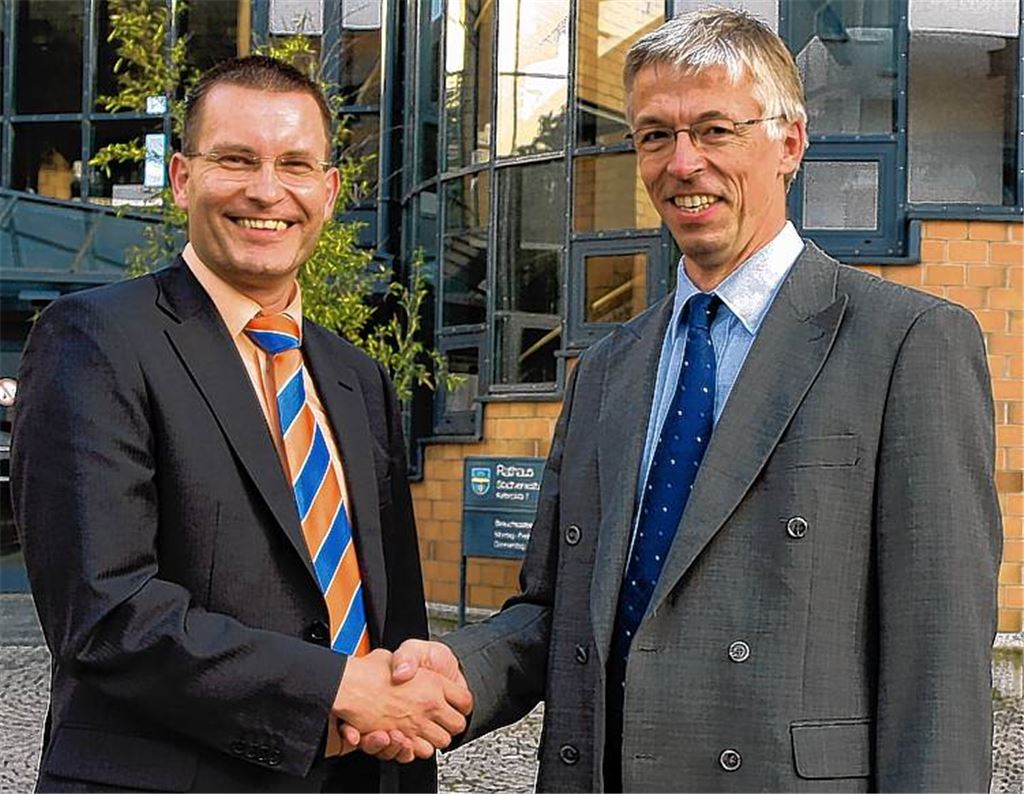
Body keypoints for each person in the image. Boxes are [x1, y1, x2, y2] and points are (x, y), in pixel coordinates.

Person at [380, 10, 1002, 791]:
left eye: (715, 130)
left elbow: (938, 661)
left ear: (790, 143)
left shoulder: (906, 343)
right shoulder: (605, 370)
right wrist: (453, 672)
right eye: (653, 135)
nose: (683, 163)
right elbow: (555, 612)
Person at [12, 56, 470, 793]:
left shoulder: (358, 378)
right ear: (184, 178)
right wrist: (336, 688)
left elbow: (394, 617)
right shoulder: (93, 341)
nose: (266, 190)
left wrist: (406, 710)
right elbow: (106, 613)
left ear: (328, 190)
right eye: (236, 160)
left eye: (294, 164)